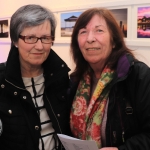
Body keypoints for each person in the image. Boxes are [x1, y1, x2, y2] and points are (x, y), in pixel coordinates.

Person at [69, 7, 150, 150]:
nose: (90, 39)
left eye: (99, 30)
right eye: (83, 32)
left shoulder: (138, 75)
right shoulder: (75, 81)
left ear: (114, 41)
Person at [0, 4, 71, 150]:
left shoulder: (61, 77)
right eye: (30, 38)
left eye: (45, 38)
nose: (39, 46)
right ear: (15, 41)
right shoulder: (2, 82)